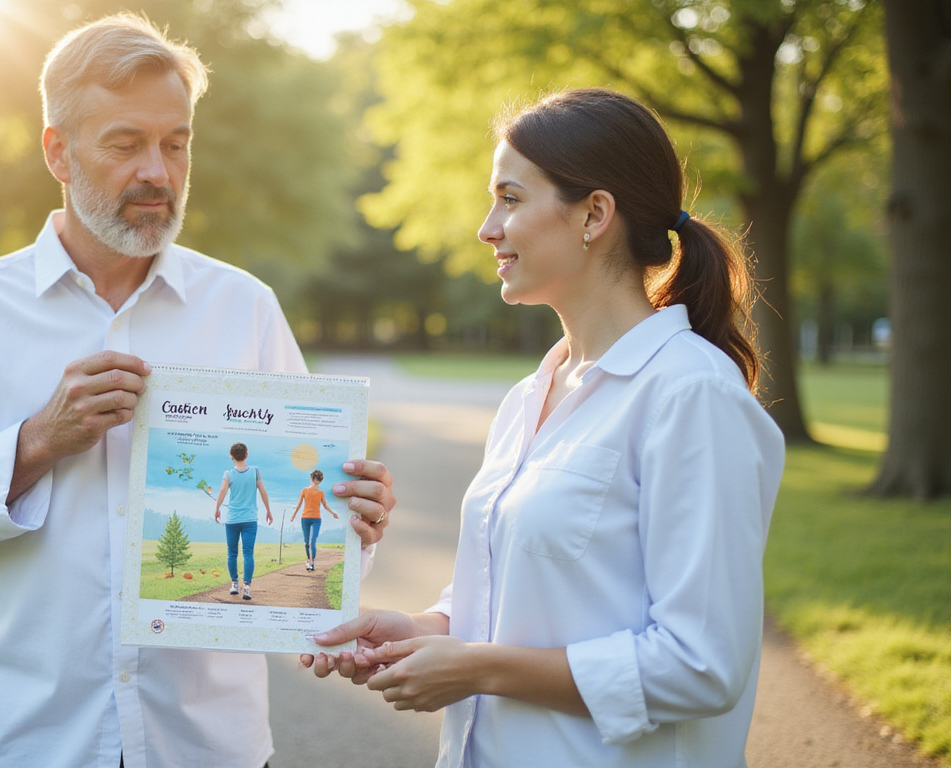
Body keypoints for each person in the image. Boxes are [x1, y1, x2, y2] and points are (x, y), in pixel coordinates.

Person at [0, 13, 395, 768]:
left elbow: (315, 550)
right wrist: (37, 443)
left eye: (176, 143)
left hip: (210, 745)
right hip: (37, 743)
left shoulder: (244, 309)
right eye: (125, 144)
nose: (158, 171)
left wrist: (356, 525)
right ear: (58, 150)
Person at [304, 88, 785, 768]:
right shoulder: (529, 395)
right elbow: (520, 588)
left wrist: (478, 668)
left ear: (594, 214)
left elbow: (701, 664)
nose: (486, 228)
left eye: (510, 197)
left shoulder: (692, 395)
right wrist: (421, 630)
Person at [213, 442, 273, 600]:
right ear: (246, 454)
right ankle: (246, 587)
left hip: (232, 519)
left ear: (231, 456)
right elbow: (263, 491)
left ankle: (234, 584)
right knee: (248, 553)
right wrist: (268, 510)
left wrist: (217, 508)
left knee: (231, 553)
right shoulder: (255, 472)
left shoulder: (228, 474)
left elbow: (222, 491)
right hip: (250, 520)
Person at [289, 469, 340, 571]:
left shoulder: (321, 493)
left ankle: (312, 563)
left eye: (319, 480)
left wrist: (333, 513)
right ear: (312, 479)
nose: (317, 482)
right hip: (305, 518)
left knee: (313, 541)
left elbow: (325, 505)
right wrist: (293, 515)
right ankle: (309, 560)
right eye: (316, 479)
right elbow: (299, 504)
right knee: (307, 542)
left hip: (316, 519)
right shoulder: (304, 491)